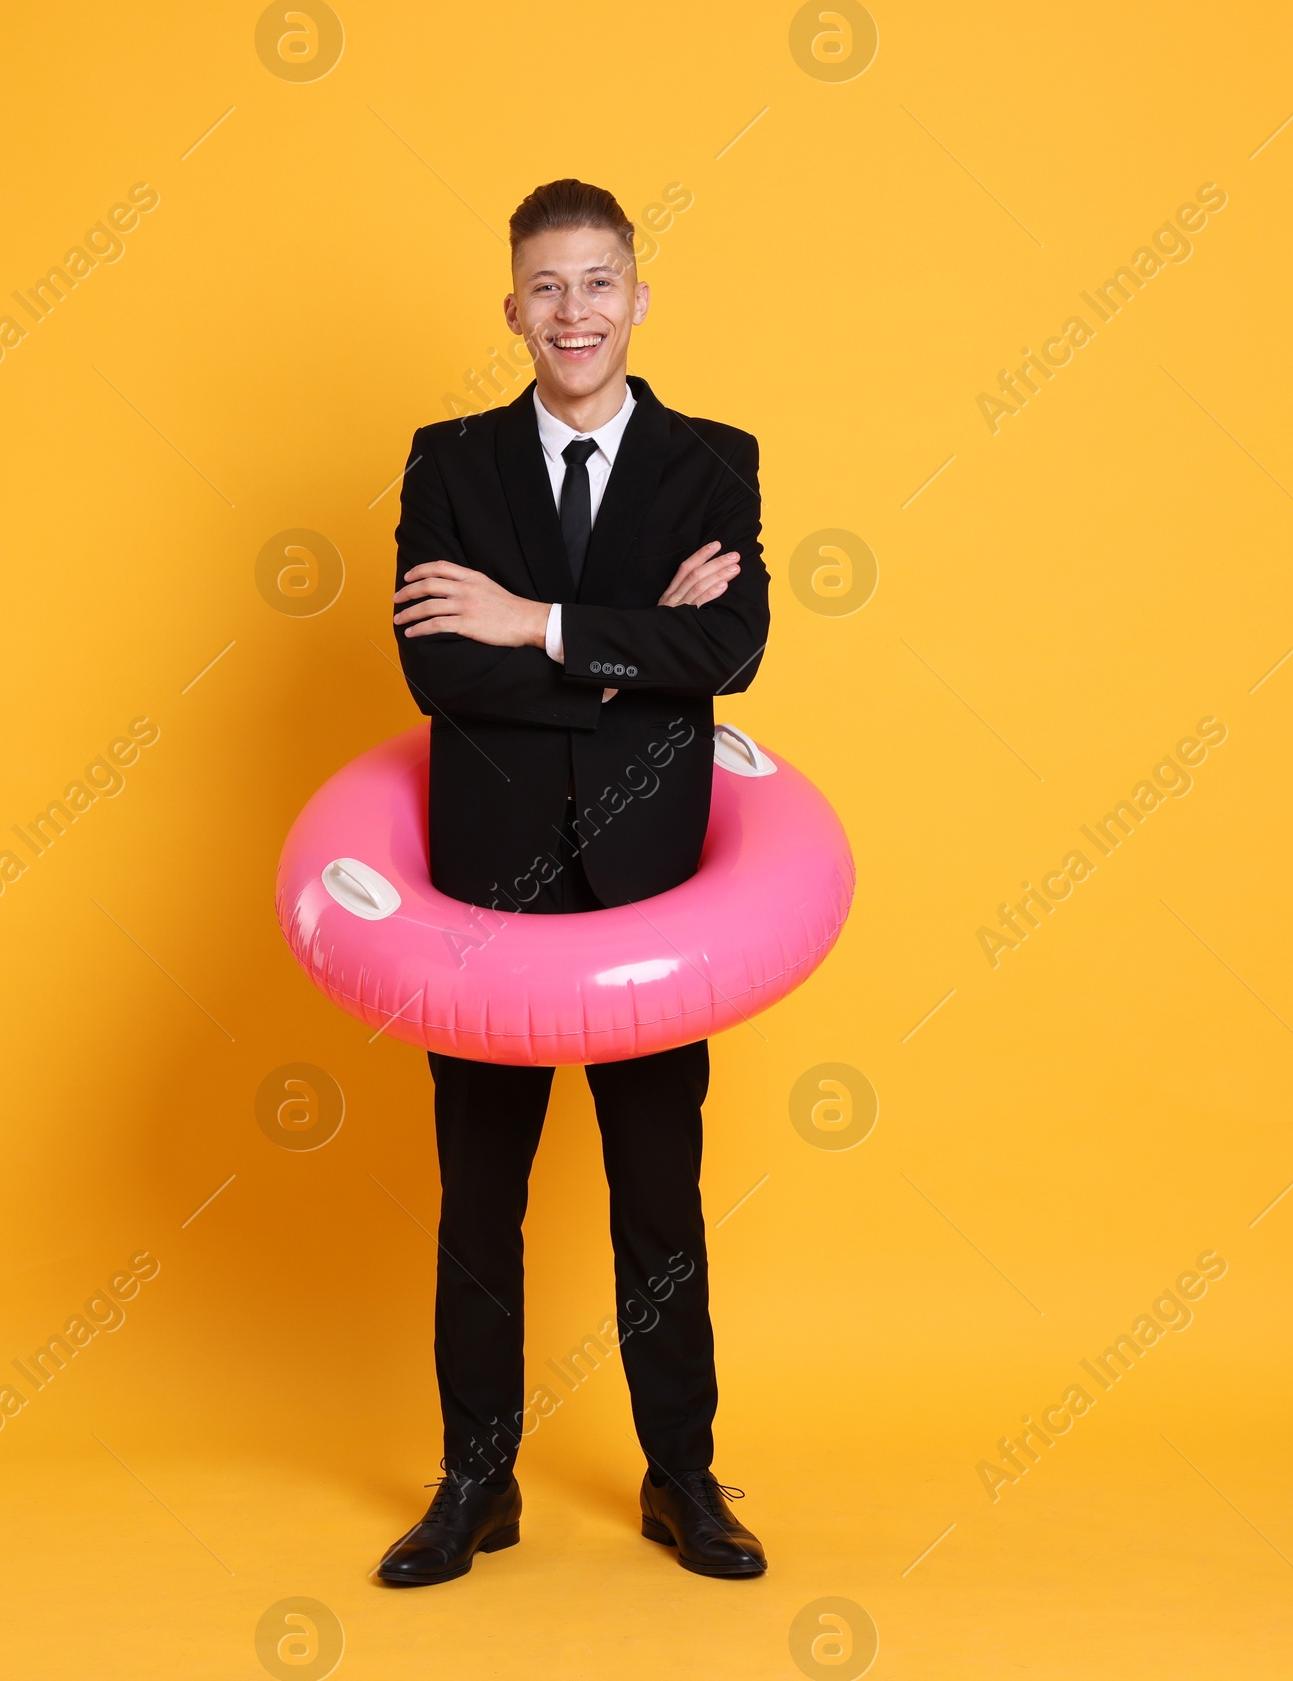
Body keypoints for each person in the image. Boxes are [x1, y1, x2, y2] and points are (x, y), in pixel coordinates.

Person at [380, 178, 770, 1586]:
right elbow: (437, 667)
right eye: (546, 287)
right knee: (480, 1198)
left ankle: (684, 1476)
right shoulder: (450, 461)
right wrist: (625, 649)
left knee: (657, 1193)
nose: (574, 313)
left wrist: (532, 623)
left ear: (639, 296)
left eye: (598, 282)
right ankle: (474, 1480)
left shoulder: (712, 463)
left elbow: (726, 652)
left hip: (655, 895)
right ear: (511, 307)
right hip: (486, 897)